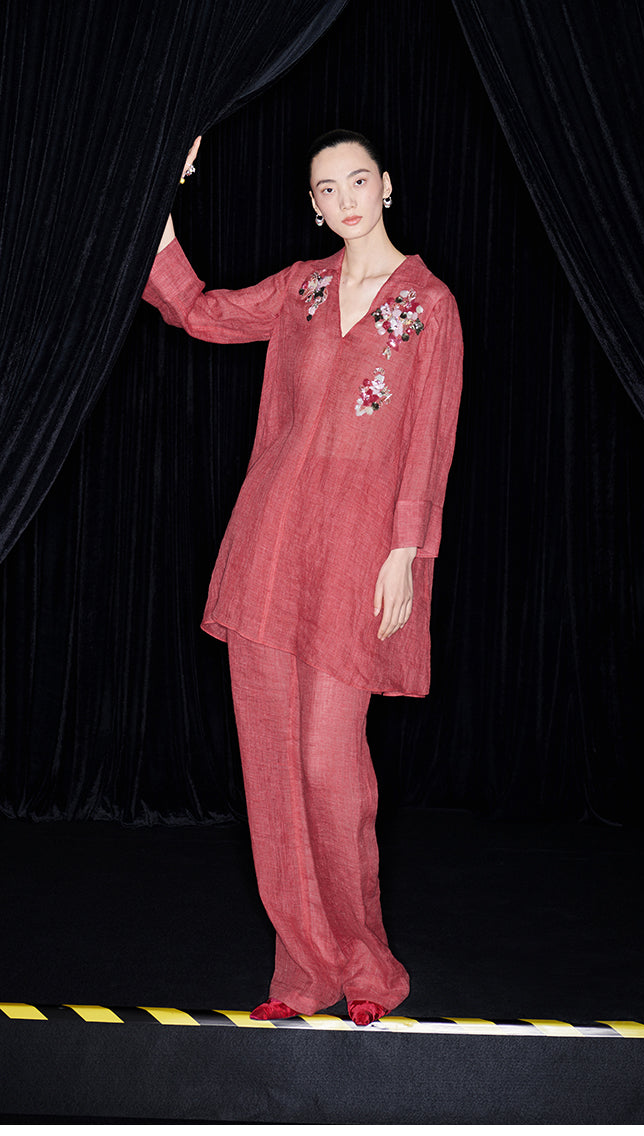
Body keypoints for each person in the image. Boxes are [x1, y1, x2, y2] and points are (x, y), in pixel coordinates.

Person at [143, 129, 463, 1025]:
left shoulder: (429, 305)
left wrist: (405, 554)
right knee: (273, 769)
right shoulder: (301, 288)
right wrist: (157, 195)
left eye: (358, 180)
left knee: (329, 768)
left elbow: (430, 440)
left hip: (358, 559)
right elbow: (199, 311)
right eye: (328, 188)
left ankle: (368, 969)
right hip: (270, 550)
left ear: (386, 185)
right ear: (314, 205)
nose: (346, 198)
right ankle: (304, 975)